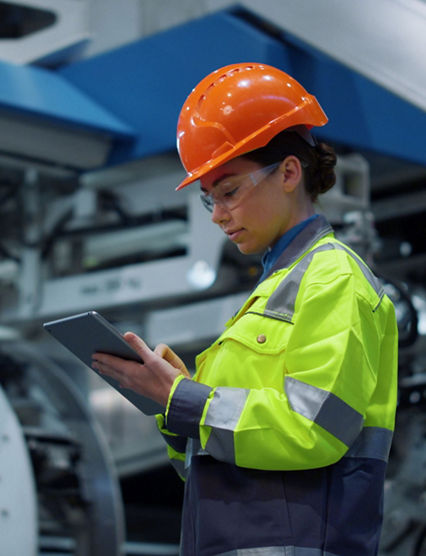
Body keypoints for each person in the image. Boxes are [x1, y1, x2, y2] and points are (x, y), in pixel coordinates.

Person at [92, 63, 398, 556]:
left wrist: (185, 398)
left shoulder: (332, 278)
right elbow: (217, 464)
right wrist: (173, 405)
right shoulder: (276, 290)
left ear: (289, 173)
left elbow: (313, 430)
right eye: (209, 197)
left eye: (229, 191)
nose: (217, 214)